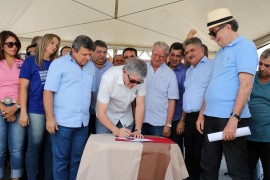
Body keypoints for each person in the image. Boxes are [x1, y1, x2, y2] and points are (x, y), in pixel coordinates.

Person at [196, 8, 258, 179]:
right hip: (211, 117)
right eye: (210, 34)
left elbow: (246, 85)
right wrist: (202, 114)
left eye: (214, 33)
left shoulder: (246, 46)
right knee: (208, 165)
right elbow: (212, 86)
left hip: (231, 118)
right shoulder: (221, 51)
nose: (213, 38)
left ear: (227, 27)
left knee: (236, 167)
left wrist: (234, 118)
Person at [44, 35, 95, 180]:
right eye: (84, 54)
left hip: (83, 123)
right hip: (62, 123)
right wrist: (50, 118)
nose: (87, 58)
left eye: (89, 54)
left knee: (78, 160)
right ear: (73, 51)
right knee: (61, 161)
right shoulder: (58, 64)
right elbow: (48, 92)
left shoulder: (90, 66)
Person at [19, 34, 60, 180]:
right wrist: (23, 112)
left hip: (54, 111)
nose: (54, 46)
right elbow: (23, 88)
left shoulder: (57, 63)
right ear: (44, 43)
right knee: (34, 146)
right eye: (52, 42)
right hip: (35, 109)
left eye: (57, 44)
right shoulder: (30, 61)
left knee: (50, 149)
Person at [183, 37, 213, 179]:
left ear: (202, 49)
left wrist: (201, 115)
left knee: (202, 156)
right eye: (187, 52)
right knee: (189, 155)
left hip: (204, 117)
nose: (189, 54)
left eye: (192, 50)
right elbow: (187, 96)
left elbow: (210, 92)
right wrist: (183, 119)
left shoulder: (212, 66)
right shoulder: (189, 70)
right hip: (189, 118)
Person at [96, 57, 147, 138]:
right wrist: (117, 131)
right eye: (132, 81)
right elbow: (101, 112)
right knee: (103, 146)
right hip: (106, 117)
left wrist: (138, 130)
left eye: (138, 82)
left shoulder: (140, 79)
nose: (135, 85)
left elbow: (140, 105)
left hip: (126, 118)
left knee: (125, 149)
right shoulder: (109, 77)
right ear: (124, 72)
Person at [0, 30, 25, 180]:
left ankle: (16, 177)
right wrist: (5, 110)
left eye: (16, 43)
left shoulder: (23, 63)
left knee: (17, 149)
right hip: (1, 107)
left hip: (18, 107)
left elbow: (26, 88)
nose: (14, 46)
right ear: (2, 45)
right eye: (10, 44)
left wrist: (15, 107)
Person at [142, 41, 179, 137]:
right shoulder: (142, 68)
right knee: (140, 150)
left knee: (156, 150)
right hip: (140, 119)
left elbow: (172, 101)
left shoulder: (170, 74)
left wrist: (168, 124)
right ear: (151, 53)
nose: (157, 58)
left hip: (159, 123)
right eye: (155, 54)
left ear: (166, 57)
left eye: (161, 56)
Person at [247, 48, 270, 179]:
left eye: (267, 65)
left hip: (268, 137)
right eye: (260, 63)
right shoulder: (250, 77)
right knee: (247, 171)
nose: (261, 68)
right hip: (248, 134)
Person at [89, 40, 113, 135]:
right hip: (88, 111)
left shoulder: (111, 67)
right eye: (99, 52)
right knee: (85, 140)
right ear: (92, 52)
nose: (102, 55)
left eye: (104, 52)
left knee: (100, 139)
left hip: (104, 112)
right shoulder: (86, 65)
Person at [167, 42, 187, 152]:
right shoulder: (162, 69)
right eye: (172, 55)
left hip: (176, 119)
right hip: (161, 118)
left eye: (178, 56)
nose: (174, 58)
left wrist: (182, 121)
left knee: (176, 152)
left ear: (182, 57)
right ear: (169, 54)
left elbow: (186, 98)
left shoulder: (185, 72)